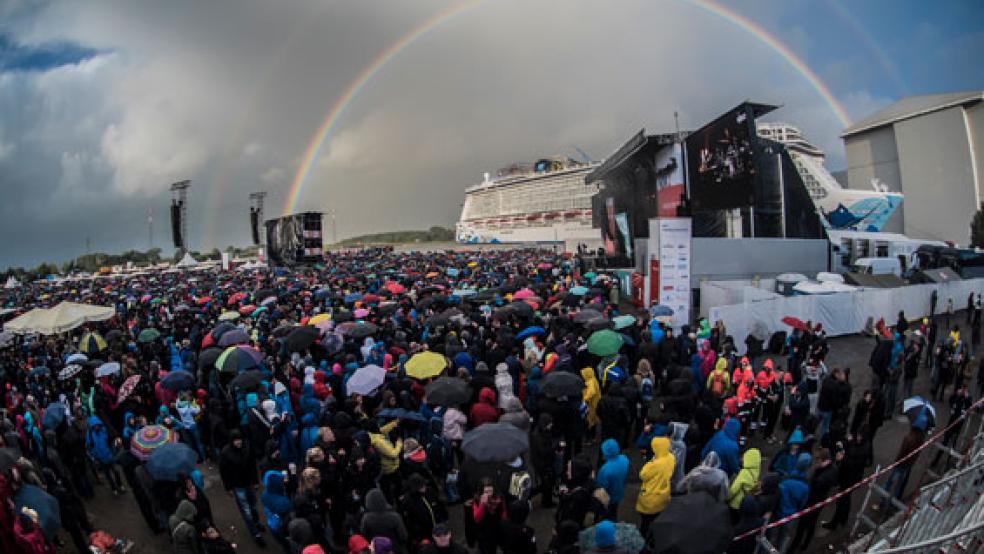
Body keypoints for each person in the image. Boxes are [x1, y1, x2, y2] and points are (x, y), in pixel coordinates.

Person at [219, 429, 265, 546]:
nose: (238, 442)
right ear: (231, 441)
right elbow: (224, 472)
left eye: (239, 439)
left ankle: (256, 522)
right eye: (236, 440)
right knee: (246, 511)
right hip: (238, 486)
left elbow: (252, 465)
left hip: (248, 483)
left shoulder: (247, 447)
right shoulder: (225, 453)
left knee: (253, 505)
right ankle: (255, 533)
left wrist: (255, 481)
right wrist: (228, 488)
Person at [789, 448, 839, 551]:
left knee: (802, 526)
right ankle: (805, 544)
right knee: (812, 524)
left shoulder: (821, 478)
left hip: (813, 501)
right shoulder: (833, 468)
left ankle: (794, 547)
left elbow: (814, 485)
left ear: (823, 460)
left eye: (819, 460)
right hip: (820, 500)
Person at [636, 436, 674, 537]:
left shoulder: (655, 464)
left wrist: (651, 461)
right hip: (664, 495)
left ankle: (643, 538)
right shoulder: (671, 457)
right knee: (656, 519)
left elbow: (643, 475)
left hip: (651, 498)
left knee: (645, 522)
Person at [595, 438, 629, 520]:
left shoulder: (605, 469)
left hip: (608, 497)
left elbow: (601, 488)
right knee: (614, 511)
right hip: (619, 493)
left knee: (605, 514)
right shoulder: (624, 459)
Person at [728, 448, 761, 516]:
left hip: (735, 504)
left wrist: (727, 498)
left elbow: (734, 489)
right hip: (745, 502)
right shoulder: (756, 471)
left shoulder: (744, 472)